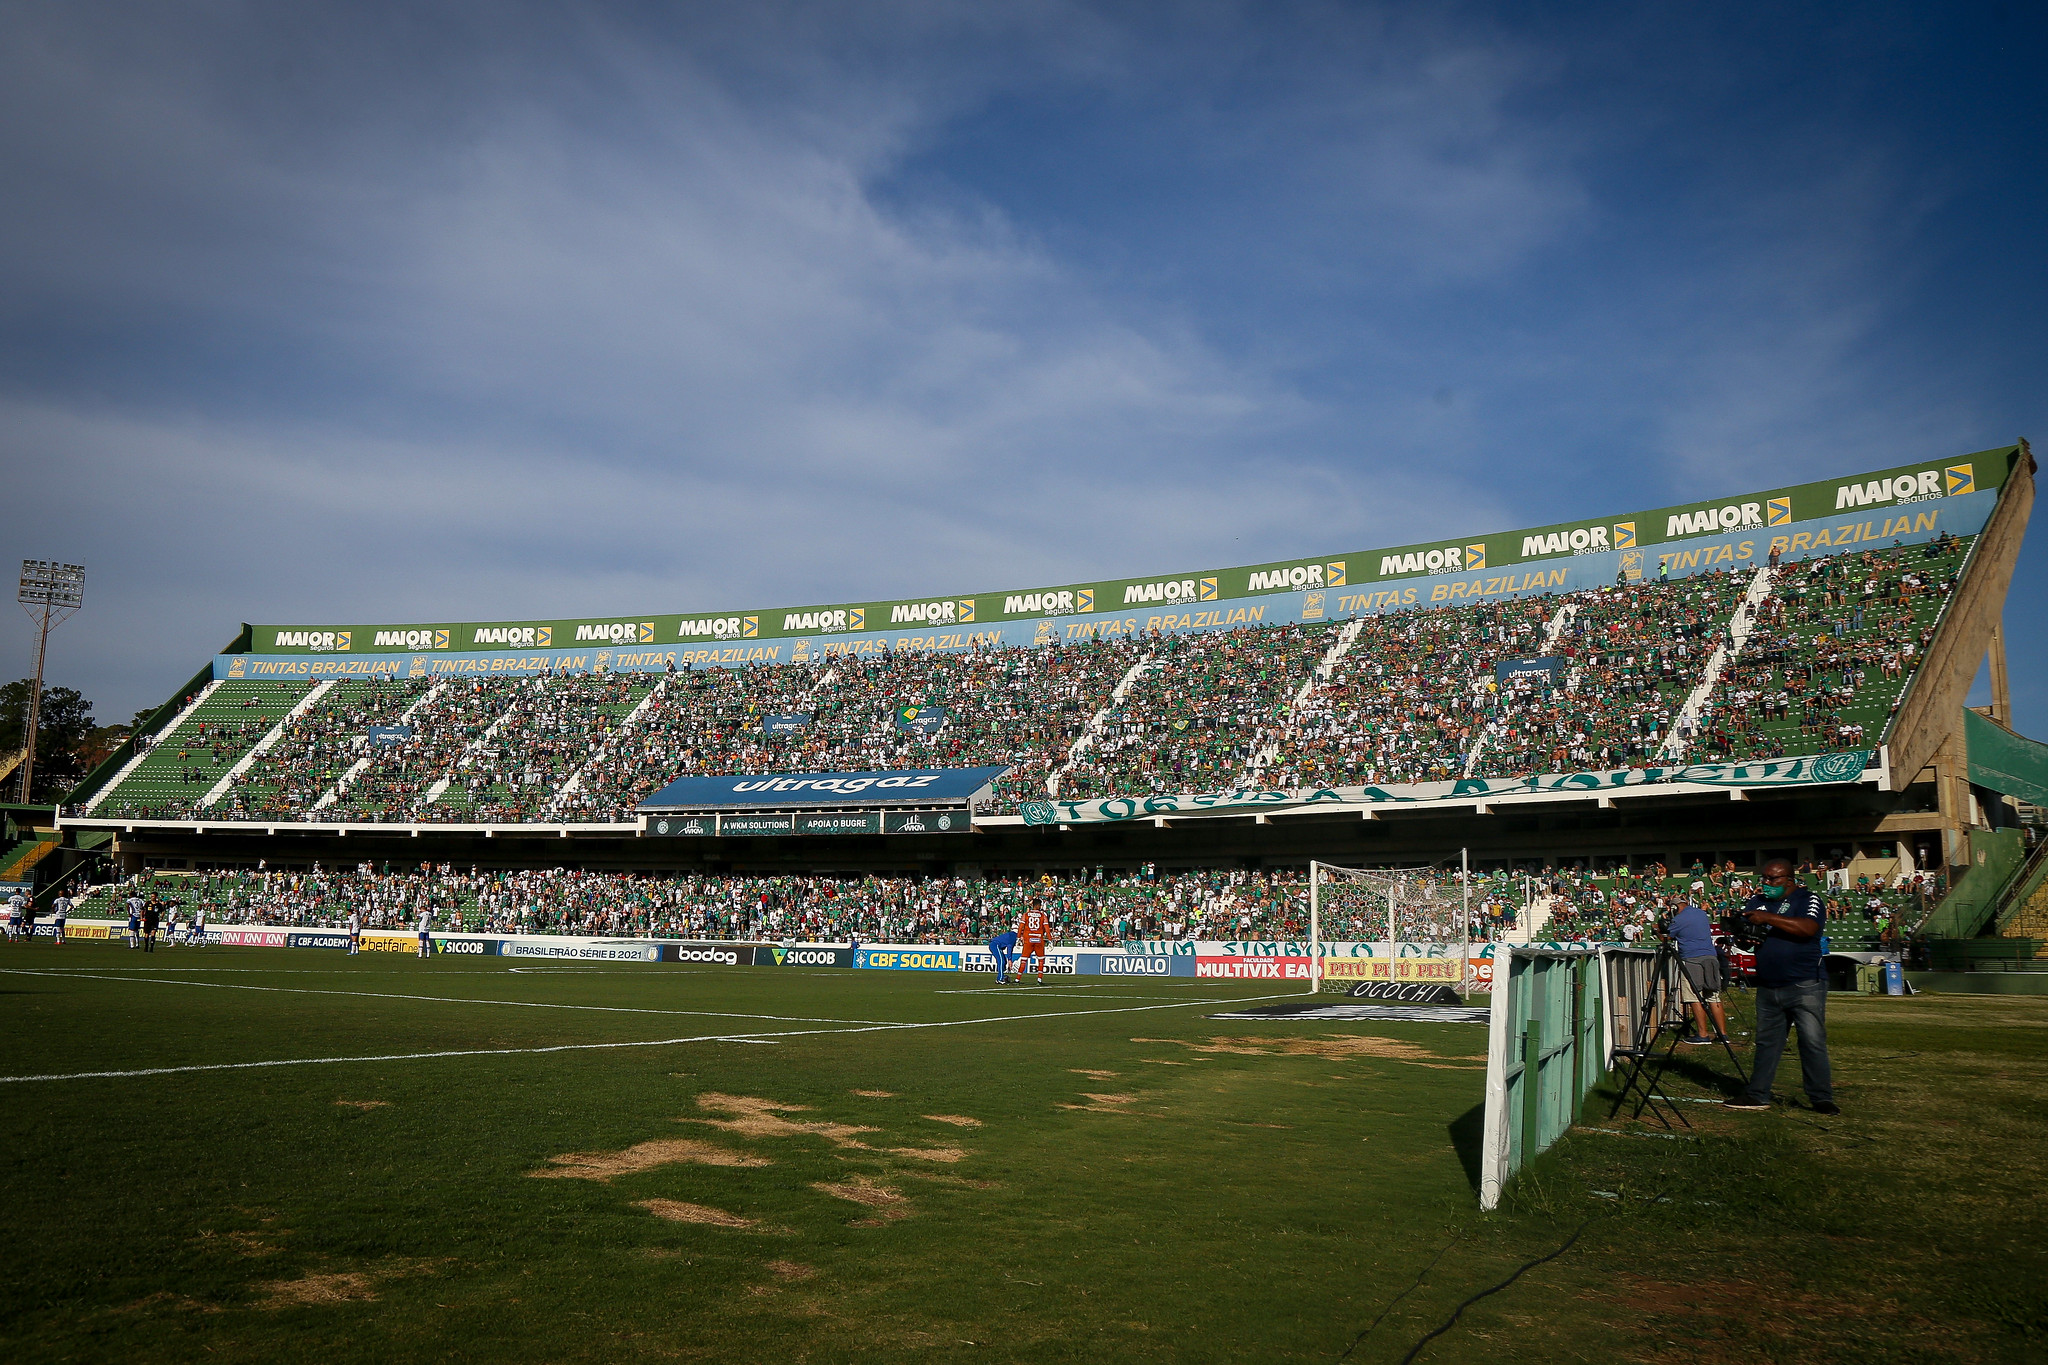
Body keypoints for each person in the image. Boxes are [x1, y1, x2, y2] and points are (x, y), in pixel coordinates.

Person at [1724, 858, 1836, 1115]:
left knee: (1812, 1041)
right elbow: (1751, 940)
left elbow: (1808, 928)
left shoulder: (1808, 899)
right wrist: (1744, 933)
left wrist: (1768, 918)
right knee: (1767, 1042)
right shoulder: (1757, 901)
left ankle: (1821, 1097)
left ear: (1788, 879)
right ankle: (1757, 1094)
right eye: (1764, 878)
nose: (1766, 883)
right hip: (1769, 983)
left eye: (1773, 879)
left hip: (1805, 982)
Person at [1666, 883, 1727, 1044]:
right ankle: (1722, 1034)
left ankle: (1703, 1034)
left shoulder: (1678, 920)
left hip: (1692, 959)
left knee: (1694, 996)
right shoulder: (1701, 913)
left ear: (1674, 908)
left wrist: (1659, 930)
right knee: (1713, 996)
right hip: (1710, 957)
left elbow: (1667, 938)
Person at [1019, 901, 1050, 984]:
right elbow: (1047, 928)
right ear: (1038, 905)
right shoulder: (1043, 915)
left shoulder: (1026, 914)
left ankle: (1017, 979)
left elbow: (1021, 927)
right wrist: (1050, 939)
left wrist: (1018, 937)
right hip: (1039, 939)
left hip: (1028, 938)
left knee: (1024, 959)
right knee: (1041, 960)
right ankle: (1039, 980)